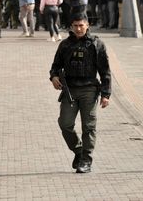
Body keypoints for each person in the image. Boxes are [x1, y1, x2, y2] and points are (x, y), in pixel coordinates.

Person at [49, 13, 111, 173]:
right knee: (65, 124)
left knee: (89, 127)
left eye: (81, 25)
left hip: (89, 90)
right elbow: (55, 66)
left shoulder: (96, 44)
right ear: (71, 26)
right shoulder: (65, 45)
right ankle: (78, 150)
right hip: (69, 90)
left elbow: (105, 71)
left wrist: (106, 94)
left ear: (87, 25)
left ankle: (86, 160)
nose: (78, 28)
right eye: (75, 25)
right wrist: (54, 77)